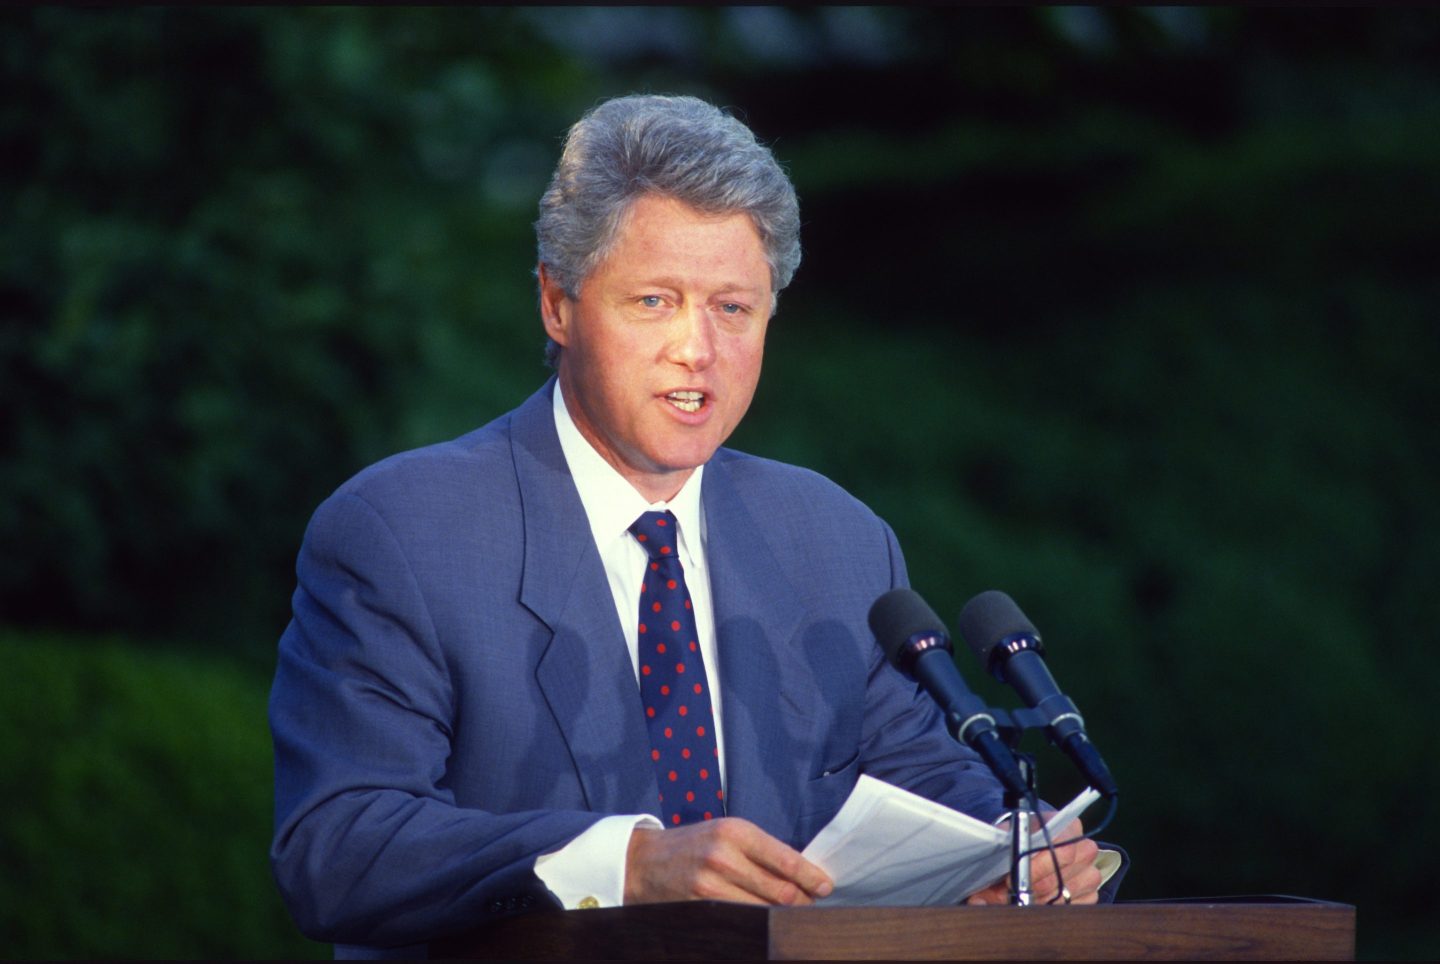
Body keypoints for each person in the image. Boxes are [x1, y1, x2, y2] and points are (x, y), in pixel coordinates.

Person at [269, 93, 1117, 957]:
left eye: (732, 309)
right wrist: (629, 865)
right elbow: (339, 849)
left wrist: (1027, 849)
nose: (697, 349)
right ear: (557, 306)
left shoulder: (833, 539)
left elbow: (934, 786)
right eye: (654, 302)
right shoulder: (404, 533)